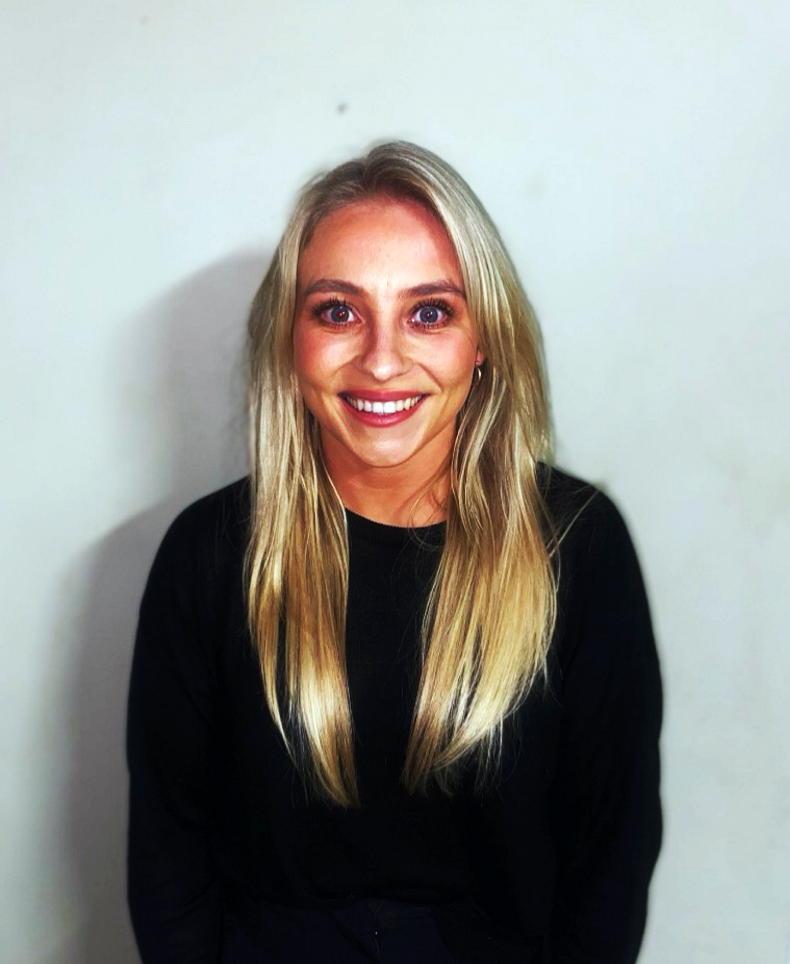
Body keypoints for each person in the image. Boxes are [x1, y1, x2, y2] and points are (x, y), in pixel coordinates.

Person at [126, 140, 663, 963]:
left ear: (484, 340)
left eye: (430, 312)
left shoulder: (579, 546)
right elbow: (170, 859)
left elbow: (610, 862)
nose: (381, 361)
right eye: (338, 311)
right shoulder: (207, 555)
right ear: (290, 338)